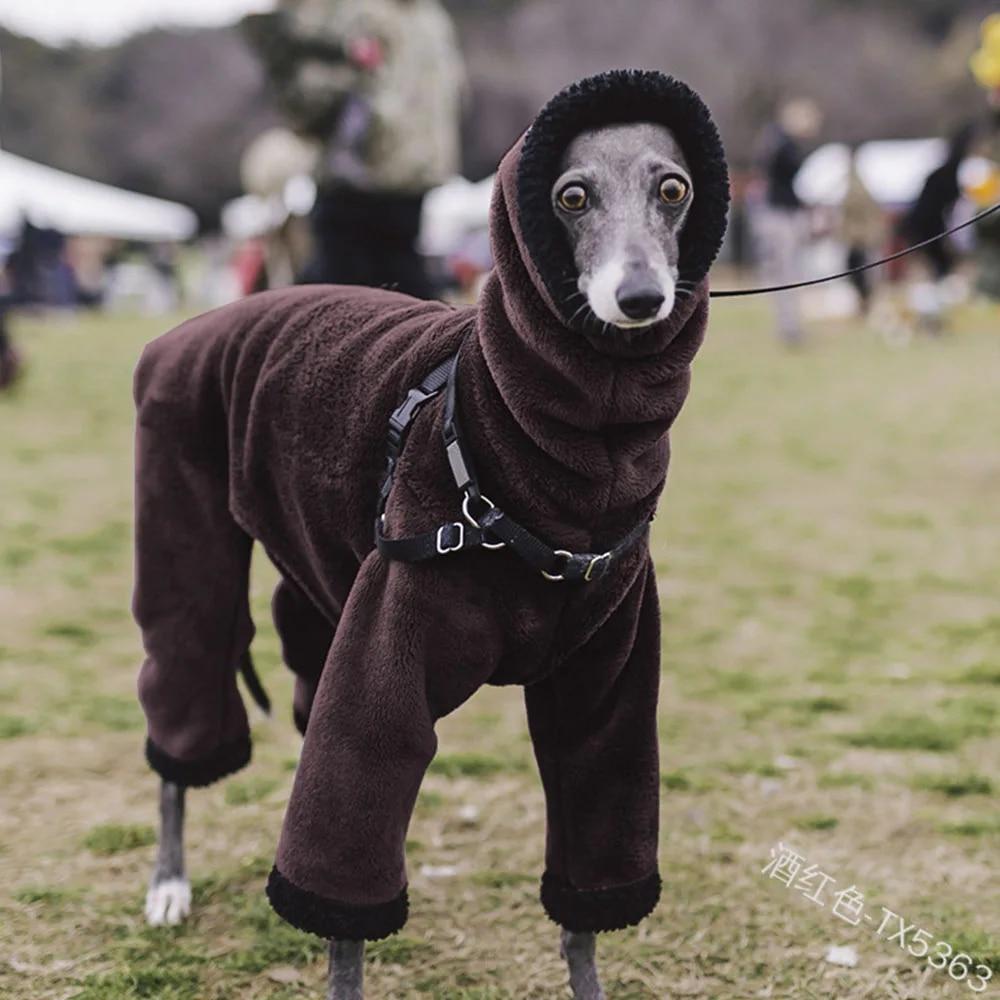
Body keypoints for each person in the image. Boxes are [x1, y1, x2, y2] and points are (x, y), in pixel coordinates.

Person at [249, 0, 465, 299]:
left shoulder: (402, 16)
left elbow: (304, 61)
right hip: (385, 172)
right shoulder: (423, 18)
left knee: (350, 293)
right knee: (381, 288)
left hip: (377, 172)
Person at [754, 98, 822, 345]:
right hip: (780, 216)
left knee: (790, 273)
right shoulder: (781, 145)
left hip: (784, 213)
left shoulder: (781, 143)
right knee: (786, 274)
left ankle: (792, 326)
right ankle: (789, 328)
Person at [838, 147, 884, 315]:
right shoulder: (856, 183)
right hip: (859, 238)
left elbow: (856, 211)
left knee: (862, 275)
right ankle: (863, 304)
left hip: (860, 239)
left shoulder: (856, 186)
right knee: (860, 275)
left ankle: (865, 304)